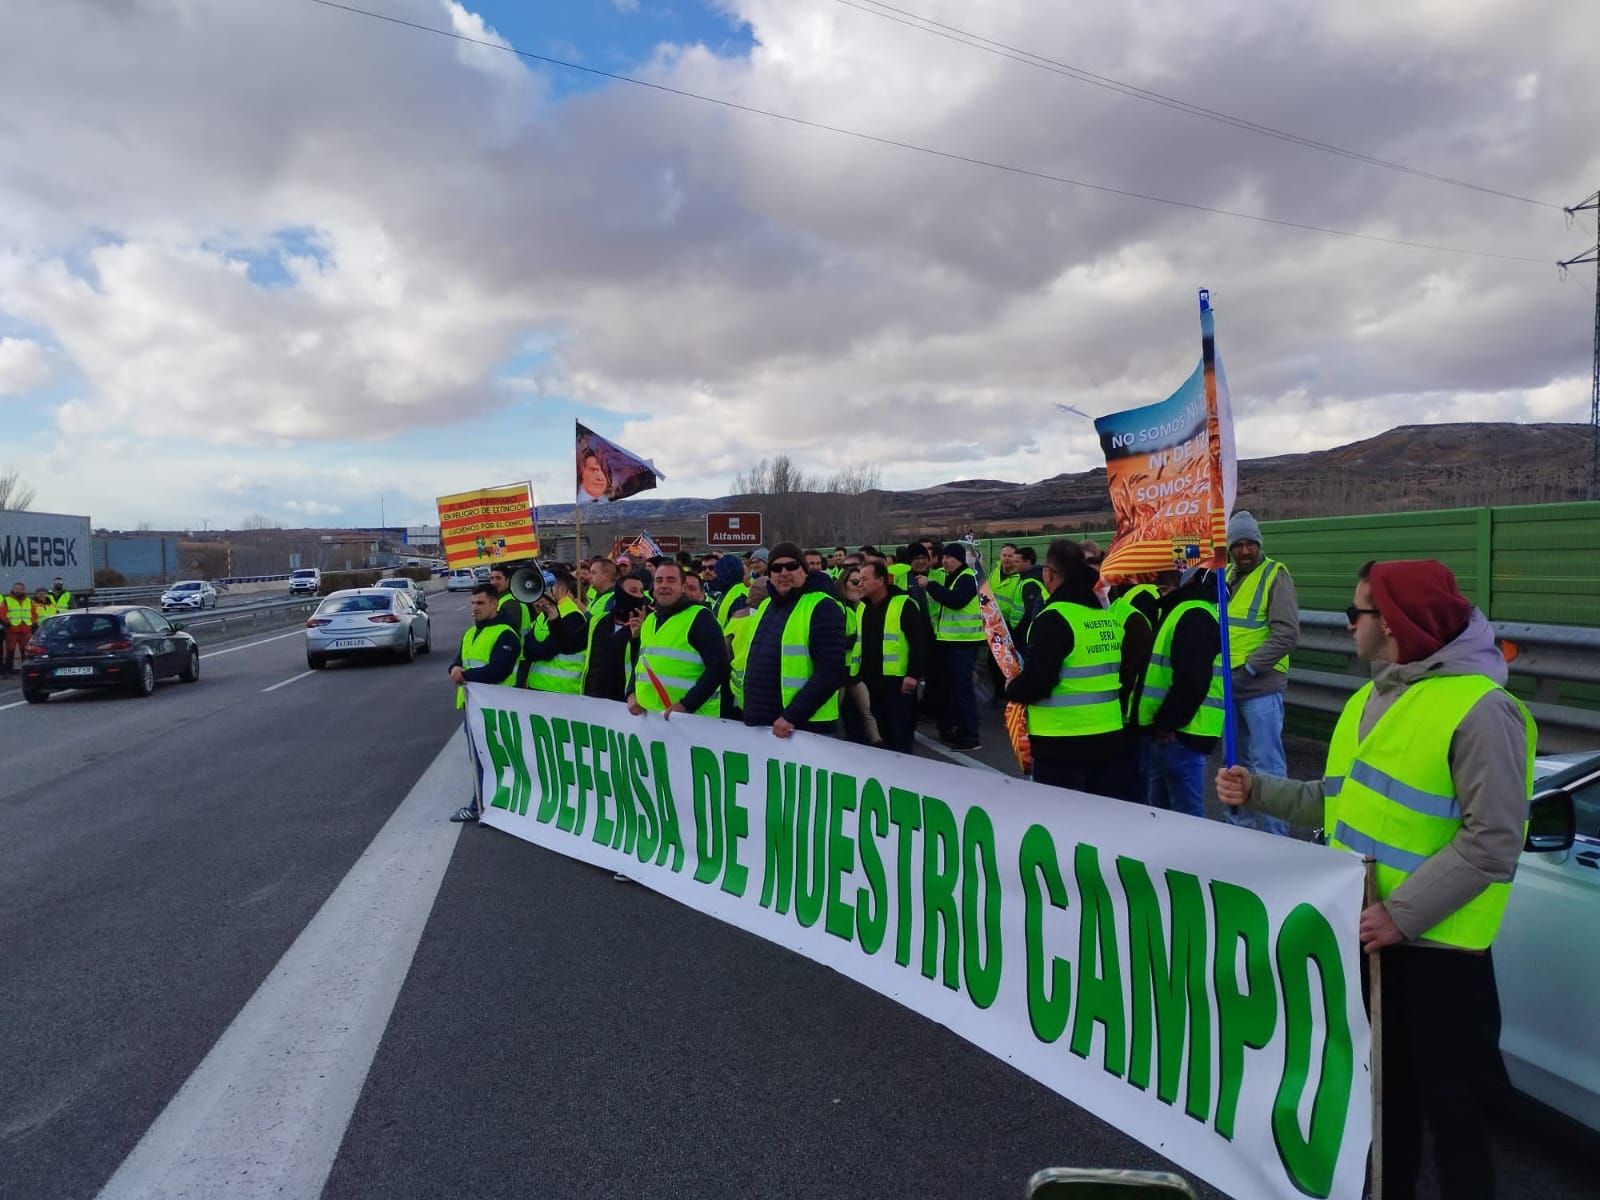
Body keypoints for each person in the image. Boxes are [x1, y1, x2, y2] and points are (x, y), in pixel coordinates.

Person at [1216, 560, 1534, 1200]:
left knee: (1455, 1117)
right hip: (1371, 942)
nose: (1347, 624)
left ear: (1391, 623)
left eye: (1355, 613)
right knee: (1385, 1109)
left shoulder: (1483, 710)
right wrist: (1259, 791)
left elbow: (1493, 841)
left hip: (1441, 957)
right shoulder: (1371, 696)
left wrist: (1401, 914)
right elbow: (1332, 801)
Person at [1006, 539, 1125, 795]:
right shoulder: (1103, 615)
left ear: (1049, 574)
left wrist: (1013, 687)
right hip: (1109, 734)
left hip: (1063, 740)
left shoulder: (1055, 617)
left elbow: (1039, 681)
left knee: (1063, 822)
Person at [1223, 511, 1300, 837]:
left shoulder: (1275, 575)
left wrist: (1252, 667)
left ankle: (1275, 838)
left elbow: (1286, 633)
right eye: (1238, 544)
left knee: (1266, 767)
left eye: (1250, 544)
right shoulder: (1224, 575)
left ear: (1259, 544)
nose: (1244, 551)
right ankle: (1238, 834)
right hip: (1228, 688)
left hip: (1260, 688)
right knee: (1232, 766)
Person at [1135, 568, 1222, 817]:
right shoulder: (1182, 610)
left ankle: (1190, 857)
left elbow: (1193, 680)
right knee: (1165, 814)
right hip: (1174, 731)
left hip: (1182, 734)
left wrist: (1167, 723)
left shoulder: (1193, 614)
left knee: (1184, 816)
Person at [741, 542, 846, 737]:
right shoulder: (766, 605)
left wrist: (792, 716)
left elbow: (832, 671)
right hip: (766, 723)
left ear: (804, 570)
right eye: (776, 568)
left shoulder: (822, 606)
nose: (784, 572)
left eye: (791, 566)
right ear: (769, 574)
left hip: (805, 726)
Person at [448, 584, 520, 822]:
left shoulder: (506, 634)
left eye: (480, 603)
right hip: (472, 707)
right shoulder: (470, 633)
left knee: (489, 758)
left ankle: (480, 806)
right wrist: (455, 669)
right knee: (479, 757)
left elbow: (498, 671)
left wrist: (464, 675)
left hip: (496, 708)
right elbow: (458, 660)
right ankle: (487, 803)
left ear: (494, 604)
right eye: (472, 603)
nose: (474, 608)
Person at [628, 561, 730, 717]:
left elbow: (719, 667)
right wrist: (631, 693)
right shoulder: (650, 620)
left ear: (683, 587)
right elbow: (641, 662)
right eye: (659, 580)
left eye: (671, 580)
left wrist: (685, 706)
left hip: (691, 721)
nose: (663, 585)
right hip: (651, 719)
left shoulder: (700, 617)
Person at [857, 560, 930, 754]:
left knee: (900, 732)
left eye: (865, 579)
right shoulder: (863, 607)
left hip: (898, 682)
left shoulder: (903, 604)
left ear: (881, 580)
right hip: (872, 680)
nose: (860, 583)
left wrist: (913, 674)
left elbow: (919, 642)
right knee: (884, 731)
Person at [922, 542, 984, 751]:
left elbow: (955, 601)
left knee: (962, 690)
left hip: (963, 642)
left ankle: (970, 736)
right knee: (952, 689)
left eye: (951, 558)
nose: (946, 561)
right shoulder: (955, 576)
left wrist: (930, 585)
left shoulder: (966, 577)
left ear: (960, 560)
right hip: (952, 641)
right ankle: (955, 729)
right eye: (944, 557)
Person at [834, 565, 881, 745]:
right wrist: (850, 640)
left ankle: (879, 746)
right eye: (854, 582)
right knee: (833, 715)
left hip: (855, 672)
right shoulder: (837, 607)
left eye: (862, 581)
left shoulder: (863, 607)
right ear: (843, 584)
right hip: (839, 673)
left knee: (868, 711)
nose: (859, 586)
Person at [523, 568, 587, 694]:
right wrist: (535, 649)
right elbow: (527, 648)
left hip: (562, 690)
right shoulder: (545, 612)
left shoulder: (573, 615)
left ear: (561, 589)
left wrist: (535, 648)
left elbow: (546, 651)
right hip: (539, 685)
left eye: (546, 586)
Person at [583, 587, 643, 702]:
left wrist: (637, 637)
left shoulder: (645, 626)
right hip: (592, 696)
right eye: (634, 590)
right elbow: (570, 641)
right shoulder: (598, 621)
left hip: (623, 701)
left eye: (641, 591)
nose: (639, 595)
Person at [2, 581, 34, 675]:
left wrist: (31, 622)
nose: (18, 591)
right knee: (10, 650)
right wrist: (7, 623)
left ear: (23, 590)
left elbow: (33, 613)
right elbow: (2, 613)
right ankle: (9, 670)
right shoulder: (7, 600)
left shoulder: (28, 600)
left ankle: (25, 670)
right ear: (13, 589)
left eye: (20, 589)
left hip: (25, 629)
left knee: (25, 651)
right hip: (12, 629)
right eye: (16, 589)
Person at [712, 555, 750, 631]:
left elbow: (739, 630)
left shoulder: (740, 597)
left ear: (727, 573)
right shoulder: (726, 592)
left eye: (718, 573)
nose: (715, 576)